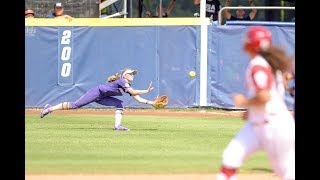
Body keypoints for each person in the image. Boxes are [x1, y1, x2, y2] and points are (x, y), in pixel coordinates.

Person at [216, 26, 295, 180]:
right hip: (258, 124)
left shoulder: (258, 65)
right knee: (231, 157)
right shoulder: (267, 63)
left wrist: (244, 102)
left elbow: (264, 96)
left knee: (287, 172)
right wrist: (251, 111)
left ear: (251, 44)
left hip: (274, 125)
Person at [40, 68, 156, 131]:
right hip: (96, 92)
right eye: (131, 73)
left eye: (133, 74)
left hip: (103, 97)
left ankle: (117, 126)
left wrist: (153, 103)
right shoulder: (122, 81)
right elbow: (134, 92)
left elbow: (138, 99)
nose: (133, 75)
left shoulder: (126, 86)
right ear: (124, 75)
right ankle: (49, 108)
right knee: (75, 105)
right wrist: (146, 91)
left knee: (120, 103)